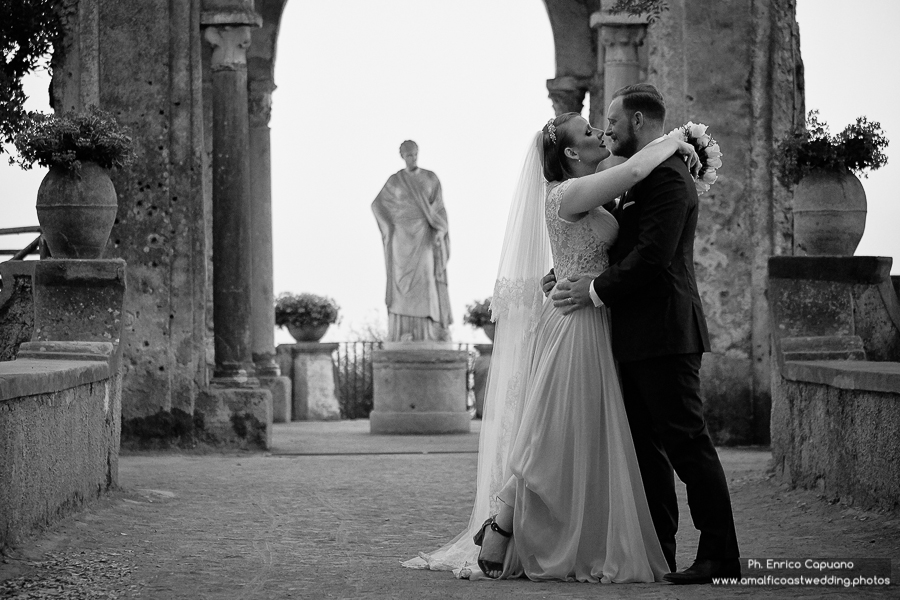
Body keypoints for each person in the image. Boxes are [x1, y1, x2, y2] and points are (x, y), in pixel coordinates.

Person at [403, 113, 699, 582]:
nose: (599, 134)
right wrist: (680, 140)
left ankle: (527, 521)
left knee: (574, 433)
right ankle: (505, 518)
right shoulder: (566, 193)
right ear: (570, 154)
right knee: (557, 431)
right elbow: (638, 170)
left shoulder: (589, 189)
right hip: (575, 325)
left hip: (590, 316)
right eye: (587, 133)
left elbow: (595, 244)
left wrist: (561, 273)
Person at [548, 83, 741, 584]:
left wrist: (594, 289)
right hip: (633, 335)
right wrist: (569, 271)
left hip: (665, 334)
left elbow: (653, 258)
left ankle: (721, 555)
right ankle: (657, 553)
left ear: (637, 122)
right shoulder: (638, 178)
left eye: (611, 121)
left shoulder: (670, 179)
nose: (606, 130)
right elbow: (614, 247)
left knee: (687, 445)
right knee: (646, 452)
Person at [372, 140, 452, 342]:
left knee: (426, 278)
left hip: (424, 233)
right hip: (400, 236)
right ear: (402, 156)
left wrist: (440, 231)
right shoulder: (395, 180)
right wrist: (388, 226)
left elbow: (439, 208)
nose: (412, 158)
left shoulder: (429, 178)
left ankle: (428, 331)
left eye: (415, 154)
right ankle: (401, 332)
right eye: (408, 155)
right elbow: (377, 205)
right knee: (401, 283)